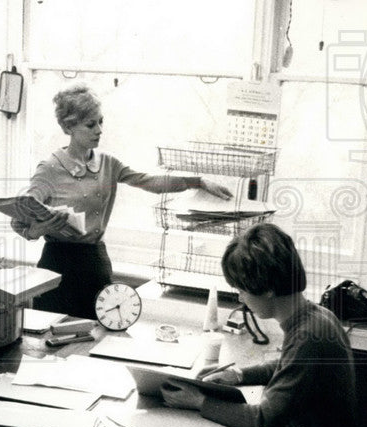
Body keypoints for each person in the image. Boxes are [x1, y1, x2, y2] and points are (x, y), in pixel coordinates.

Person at [160, 223, 358, 427]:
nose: (239, 296)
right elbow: (285, 365)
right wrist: (237, 374)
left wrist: (198, 402)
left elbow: (262, 419)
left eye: (240, 288)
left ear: (265, 288)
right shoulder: (316, 317)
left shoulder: (308, 335)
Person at [14, 85, 233, 318]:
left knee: (98, 334)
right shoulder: (49, 169)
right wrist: (44, 227)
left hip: (96, 262)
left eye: (100, 122)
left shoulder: (108, 163)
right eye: (90, 124)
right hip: (58, 265)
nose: (99, 130)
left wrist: (197, 181)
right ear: (69, 127)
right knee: (51, 337)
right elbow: (21, 224)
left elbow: (148, 182)